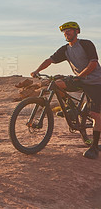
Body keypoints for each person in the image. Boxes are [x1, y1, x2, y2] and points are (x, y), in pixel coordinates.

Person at [31, 21, 101, 159]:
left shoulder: (86, 44)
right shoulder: (65, 49)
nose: (66, 33)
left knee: (95, 114)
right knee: (56, 84)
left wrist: (79, 76)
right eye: (64, 31)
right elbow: (50, 60)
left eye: (69, 30)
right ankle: (71, 108)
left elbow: (93, 64)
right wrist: (37, 70)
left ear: (77, 32)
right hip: (80, 79)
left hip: (95, 82)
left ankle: (94, 147)